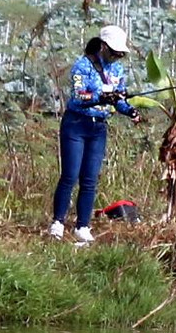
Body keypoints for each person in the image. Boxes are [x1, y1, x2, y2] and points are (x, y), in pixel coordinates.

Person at [49, 25, 141, 242]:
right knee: (70, 175)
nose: (116, 57)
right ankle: (58, 222)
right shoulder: (82, 66)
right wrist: (101, 97)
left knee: (90, 179)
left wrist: (130, 111)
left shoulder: (117, 70)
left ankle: (83, 225)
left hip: (98, 127)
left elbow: (119, 100)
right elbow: (79, 96)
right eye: (113, 52)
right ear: (102, 46)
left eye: (120, 54)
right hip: (76, 124)